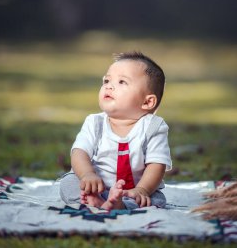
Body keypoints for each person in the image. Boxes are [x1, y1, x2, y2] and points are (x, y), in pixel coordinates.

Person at [59, 51, 172, 210]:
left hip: (133, 189)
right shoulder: (95, 122)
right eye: (106, 80)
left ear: (147, 102)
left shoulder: (154, 127)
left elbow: (157, 164)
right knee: (68, 183)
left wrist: (142, 189)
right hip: (96, 185)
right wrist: (87, 175)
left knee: (156, 199)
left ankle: (121, 204)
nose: (109, 86)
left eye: (121, 82)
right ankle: (94, 199)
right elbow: (79, 152)